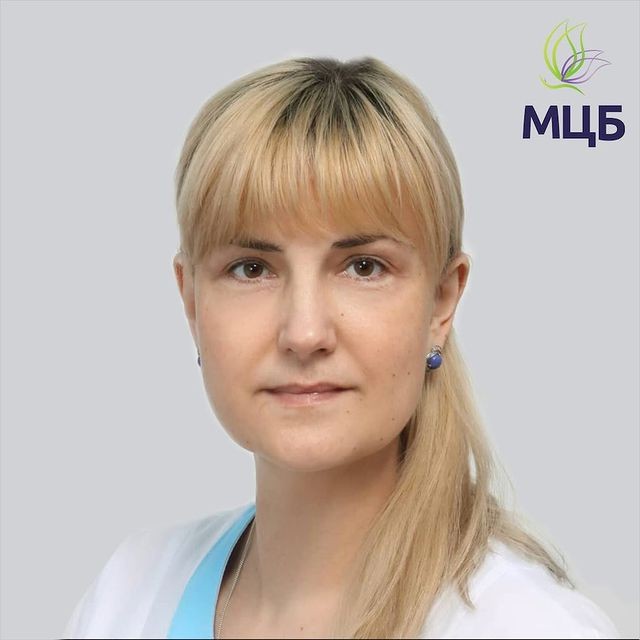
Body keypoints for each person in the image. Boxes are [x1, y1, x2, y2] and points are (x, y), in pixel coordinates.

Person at [63, 56, 620, 639]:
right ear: (192, 302)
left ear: (442, 302)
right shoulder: (128, 596)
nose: (305, 333)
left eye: (363, 266)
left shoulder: (526, 627)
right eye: (252, 268)